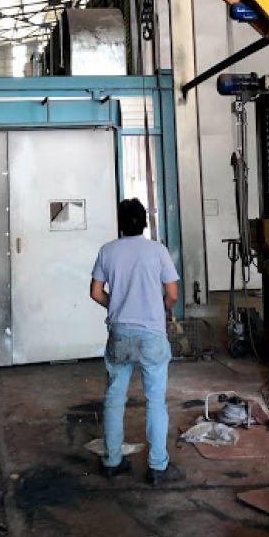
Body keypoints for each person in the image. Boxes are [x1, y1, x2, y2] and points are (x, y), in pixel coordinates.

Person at [90, 198, 185, 487]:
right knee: (155, 401)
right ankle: (157, 467)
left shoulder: (107, 251)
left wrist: (117, 306)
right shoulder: (157, 251)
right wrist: (160, 308)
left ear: (120, 223)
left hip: (120, 334)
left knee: (114, 398)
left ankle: (112, 461)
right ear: (144, 222)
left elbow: (96, 292)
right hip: (151, 335)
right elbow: (173, 294)